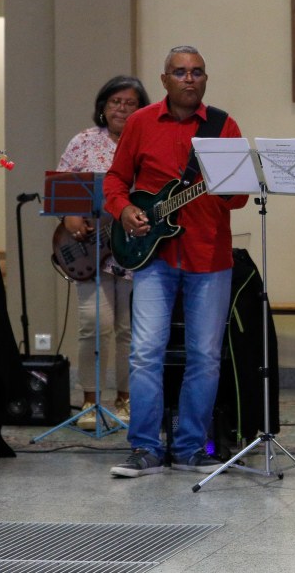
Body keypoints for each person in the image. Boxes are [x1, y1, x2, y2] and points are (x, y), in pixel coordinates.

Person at [104, 47, 248, 478]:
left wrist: (228, 186)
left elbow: (239, 198)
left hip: (210, 254)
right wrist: (124, 210)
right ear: (164, 79)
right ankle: (145, 448)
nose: (189, 79)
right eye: (180, 72)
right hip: (154, 257)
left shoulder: (224, 126)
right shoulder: (141, 122)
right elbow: (116, 179)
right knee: (146, 353)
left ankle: (189, 448)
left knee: (205, 356)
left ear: (206, 79)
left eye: (197, 72)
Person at [57, 75, 151, 430]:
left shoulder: (147, 141)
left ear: (141, 109)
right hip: (89, 250)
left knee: (130, 330)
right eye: (115, 102)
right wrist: (69, 216)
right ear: (103, 106)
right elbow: (62, 186)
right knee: (93, 326)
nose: (122, 109)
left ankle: (125, 399)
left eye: (130, 103)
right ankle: (90, 402)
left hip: (135, 249)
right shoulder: (83, 141)